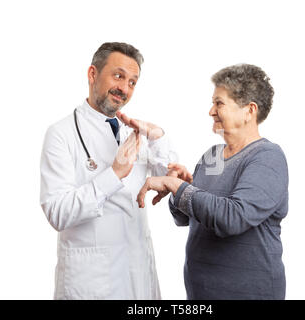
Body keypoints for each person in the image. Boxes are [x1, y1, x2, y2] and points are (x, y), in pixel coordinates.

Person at [137, 64, 289, 300]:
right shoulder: (212, 156)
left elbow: (232, 218)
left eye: (219, 103)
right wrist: (182, 187)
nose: (211, 111)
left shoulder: (268, 157)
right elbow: (184, 218)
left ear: (249, 110)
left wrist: (179, 188)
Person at [40, 42, 176, 300]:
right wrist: (113, 174)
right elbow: (57, 213)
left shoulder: (133, 132)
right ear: (92, 74)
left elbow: (168, 178)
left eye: (133, 82)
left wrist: (158, 138)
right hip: (91, 284)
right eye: (118, 76)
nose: (124, 89)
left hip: (139, 279)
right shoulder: (61, 134)